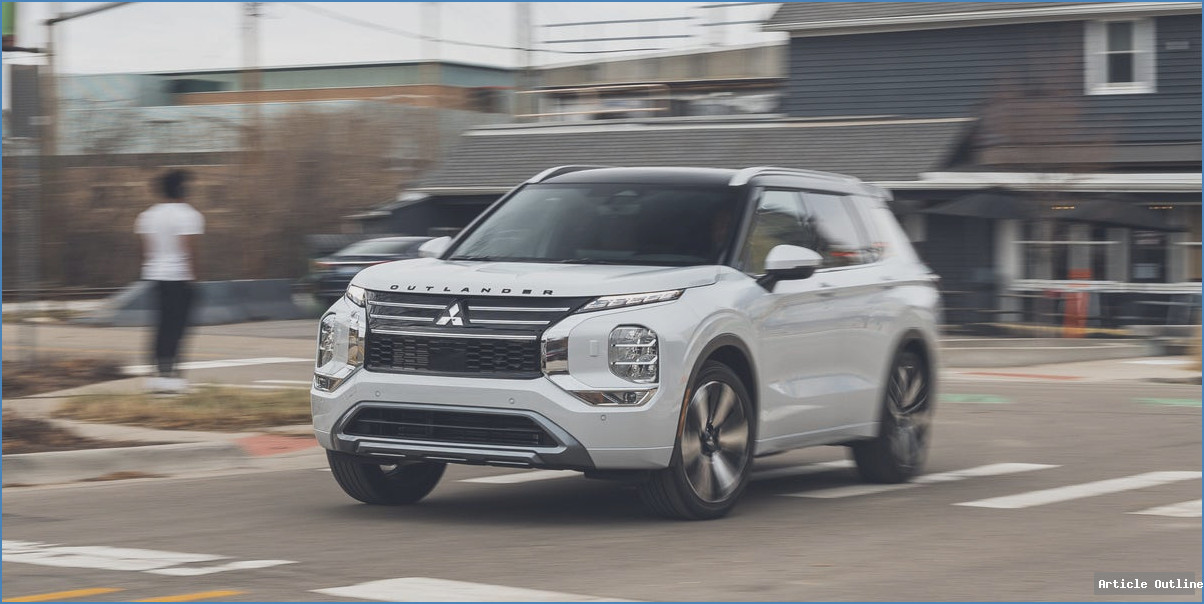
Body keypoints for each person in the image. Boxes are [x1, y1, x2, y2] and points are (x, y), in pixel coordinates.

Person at [135, 169, 204, 393]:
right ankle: (173, 377)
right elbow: (188, 250)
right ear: (182, 189)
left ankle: (158, 375)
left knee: (161, 326)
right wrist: (193, 278)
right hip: (179, 277)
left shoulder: (148, 215)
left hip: (155, 276)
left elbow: (147, 252)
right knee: (178, 328)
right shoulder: (188, 214)